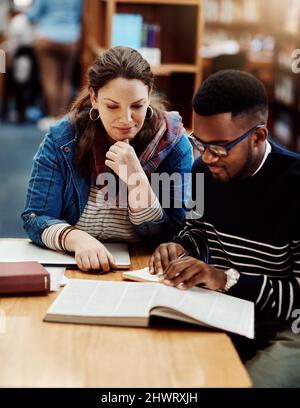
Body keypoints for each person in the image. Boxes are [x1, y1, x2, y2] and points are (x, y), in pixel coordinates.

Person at [149, 70, 300, 388]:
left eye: (219, 147)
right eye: (199, 143)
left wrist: (224, 277)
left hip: (285, 329)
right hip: (224, 310)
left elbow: (296, 298)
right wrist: (180, 245)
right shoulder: (204, 169)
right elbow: (197, 229)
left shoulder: (294, 186)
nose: (206, 157)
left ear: (259, 136)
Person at [22, 46, 193, 273]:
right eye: (112, 106)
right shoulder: (63, 137)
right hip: (74, 265)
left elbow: (178, 231)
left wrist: (136, 181)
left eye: (137, 106)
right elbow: (34, 217)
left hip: (143, 268)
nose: (126, 119)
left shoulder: (174, 142)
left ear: (149, 94)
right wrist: (77, 239)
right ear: (94, 97)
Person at [26, 0, 82, 130]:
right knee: (65, 79)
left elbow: (33, 15)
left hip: (47, 36)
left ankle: (51, 117)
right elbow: (80, 14)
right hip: (70, 37)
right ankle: (61, 118)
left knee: (50, 79)